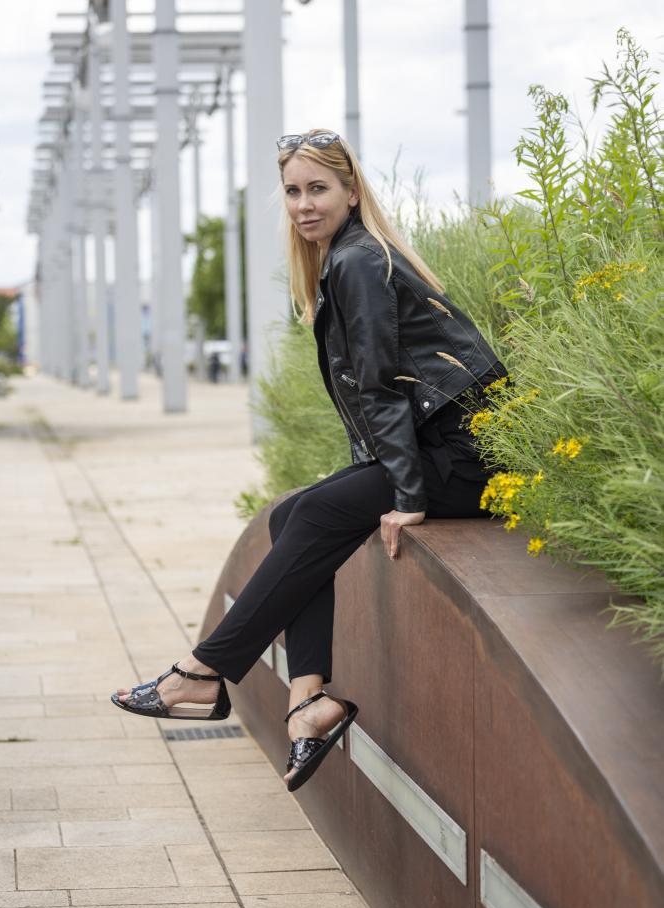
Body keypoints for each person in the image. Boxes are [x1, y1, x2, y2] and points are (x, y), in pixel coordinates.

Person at [112, 128, 508, 793]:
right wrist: (372, 479)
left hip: (468, 461)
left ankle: (203, 672)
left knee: (318, 510)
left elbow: (382, 387)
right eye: (293, 191)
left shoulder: (358, 262)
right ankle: (308, 702)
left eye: (318, 189)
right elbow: (378, 397)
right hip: (441, 449)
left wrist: (407, 498)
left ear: (351, 193)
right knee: (292, 514)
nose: (303, 204)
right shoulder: (347, 258)